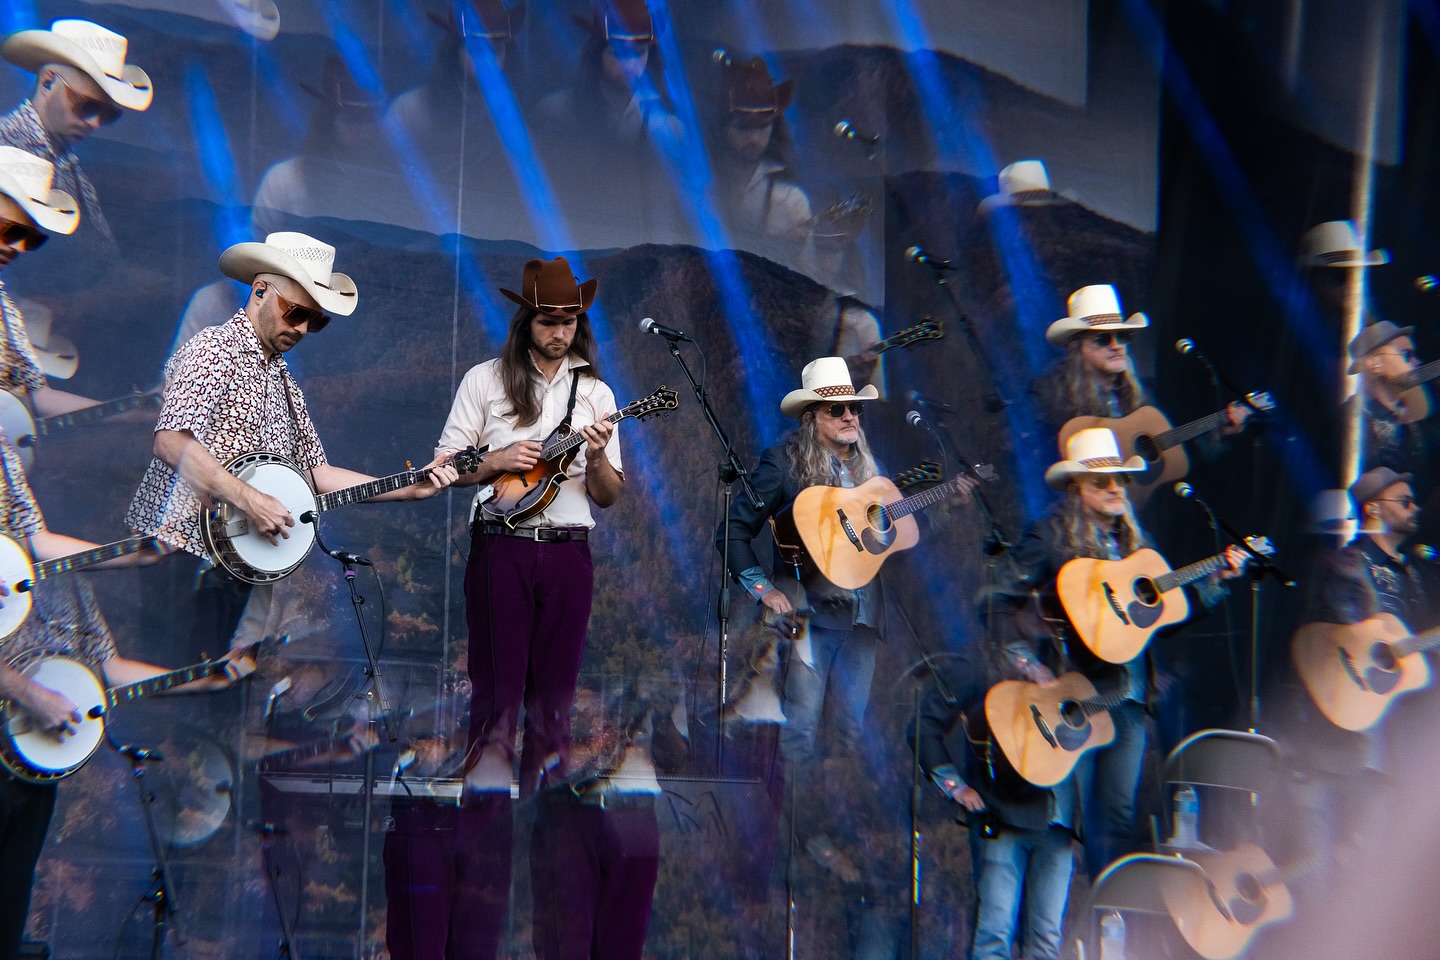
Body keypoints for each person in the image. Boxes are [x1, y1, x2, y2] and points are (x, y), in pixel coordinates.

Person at [390, 256, 621, 960]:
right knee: (495, 703)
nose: (559, 331)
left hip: (569, 549)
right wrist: (495, 461)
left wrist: (603, 455)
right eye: (549, 319)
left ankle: (550, 873)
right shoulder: (485, 383)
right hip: (502, 547)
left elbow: (608, 494)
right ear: (528, 319)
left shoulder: (598, 393)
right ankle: (481, 868)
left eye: (569, 319)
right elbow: (443, 469)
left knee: (553, 704)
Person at [124, 231, 458, 660]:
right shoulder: (213, 348)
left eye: (314, 321)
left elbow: (317, 474)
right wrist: (252, 500)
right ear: (260, 290)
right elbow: (170, 441)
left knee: (207, 691)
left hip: (233, 562)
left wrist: (408, 487)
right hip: (176, 554)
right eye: (295, 312)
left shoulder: (283, 380)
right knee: (162, 683)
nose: (301, 329)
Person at [995, 427, 1244, 875]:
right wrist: (1026, 662)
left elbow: (1167, 619)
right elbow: (1000, 597)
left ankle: (1112, 921)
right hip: (1073, 694)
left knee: (1117, 816)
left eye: (1120, 481)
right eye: (1101, 482)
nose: (1115, 489)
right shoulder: (1050, 536)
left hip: (1128, 697)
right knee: (1066, 819)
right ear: (1077, 488)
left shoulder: (1136, 544)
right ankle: (1071, 928)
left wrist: (1217, 581)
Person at [912, 643, 1080, 960]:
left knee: (1046, 939)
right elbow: (922, 728)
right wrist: (954, 786)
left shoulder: (1073, 651)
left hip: (1059, 822)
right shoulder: (988, 666)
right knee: (995, 933)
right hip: (1005, 818)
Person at [0, 18, 154, 248]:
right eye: (87, 106)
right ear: (48, 82)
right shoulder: (4, 145)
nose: (95, 123)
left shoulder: (73, 169)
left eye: (107, 114)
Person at [534, 0, 680, 151]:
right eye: (618, 53)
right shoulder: (555, 112)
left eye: (639, 53)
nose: (630, 65)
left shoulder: (667, 128)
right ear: (597, 55)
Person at [707, 55, 811, 259]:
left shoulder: (790, 199)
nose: (754, 138)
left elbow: (811, 274)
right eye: (743, 127)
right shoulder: (703, 188)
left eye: (763, 126)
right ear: (722, 128)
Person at [1343, 321, 1436, 493]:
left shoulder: (1410, 421)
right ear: (1375, 363)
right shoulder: (1349, 420)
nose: (1417, 362)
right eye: (1407, 355)